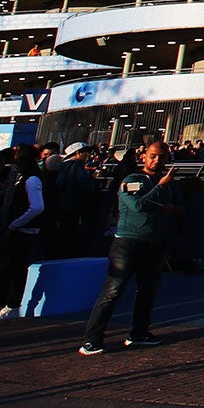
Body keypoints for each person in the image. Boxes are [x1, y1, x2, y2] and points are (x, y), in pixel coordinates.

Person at [79, 140, 184, 354]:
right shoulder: (132, 180)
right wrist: (161, 186)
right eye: (153, 156)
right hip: (128, 242)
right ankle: (92, 339)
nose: (157, 161)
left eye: (162, 157)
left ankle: (139, 333)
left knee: (148, 291)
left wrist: (173, 208)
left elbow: (181, 209)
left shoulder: (172, 183)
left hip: (155, 243)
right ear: (144, 156)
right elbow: (136, 206)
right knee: (113, 290)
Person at [0, 143, 46, 323]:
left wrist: (15, 223)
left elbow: (37, 207)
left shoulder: (32, 178)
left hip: (24, 230)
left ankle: (12, 305)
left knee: (17, 268)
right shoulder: (23, 176)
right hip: (17, 228)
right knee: (5, 267)